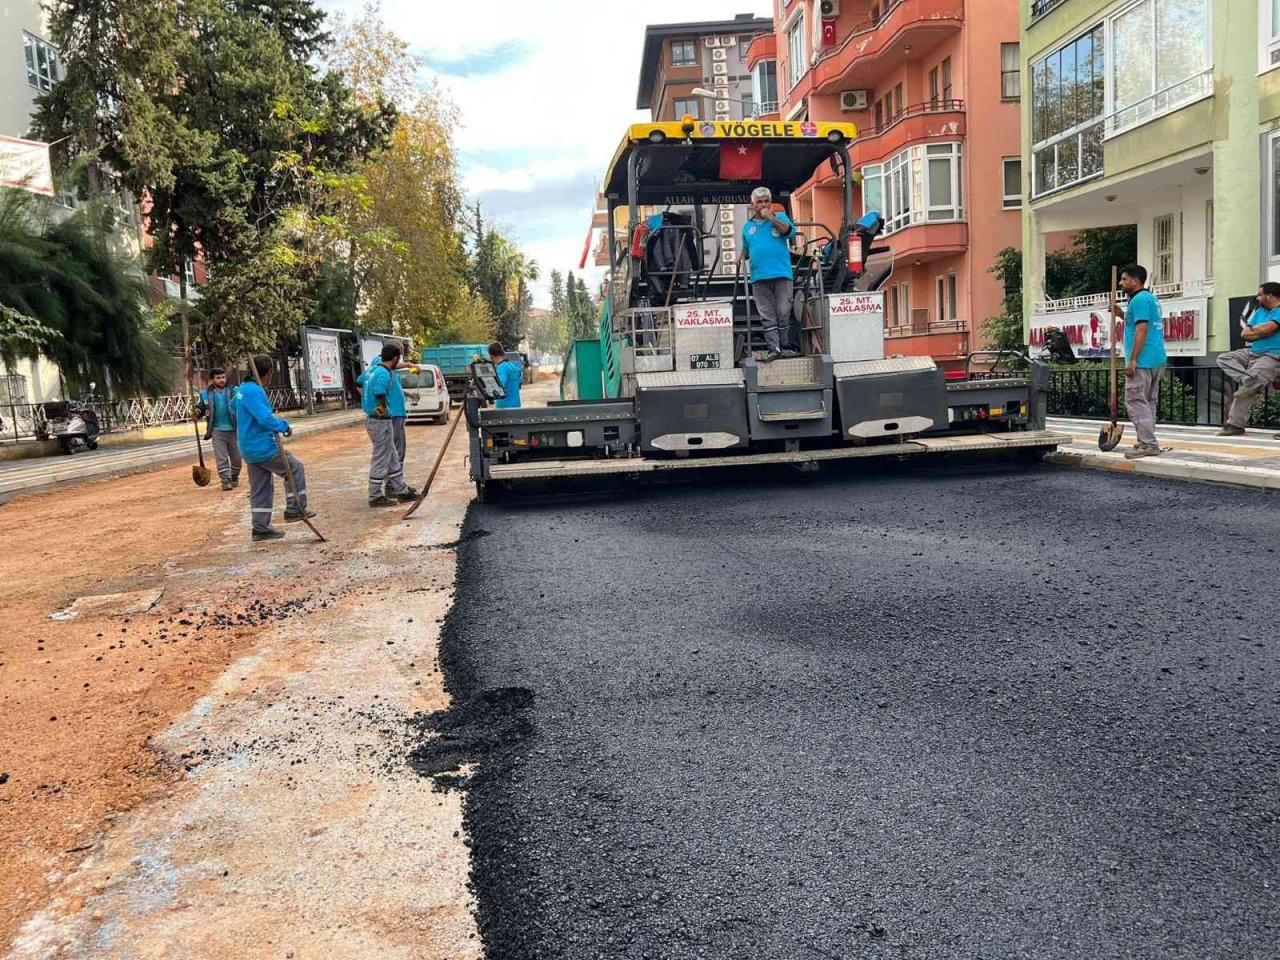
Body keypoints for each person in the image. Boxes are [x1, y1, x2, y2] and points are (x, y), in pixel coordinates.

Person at [233, 356, 315, 542]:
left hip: (248, 447)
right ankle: (295, 509)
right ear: (268, 373)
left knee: (261, 488)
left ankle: (260, 528)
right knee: (294, 468)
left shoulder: (242, 389)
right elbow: (265, 418)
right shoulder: (254, 391)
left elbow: (233, 408)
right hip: (262, 447)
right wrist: (284, 426)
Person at [1110, 265, 1167, 459]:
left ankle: (1149, 444)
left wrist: (1132, 359)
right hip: (1156, 357)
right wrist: (1120, 314)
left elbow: (1141, 330)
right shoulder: (1150, 298)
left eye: (1124, 279)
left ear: (1136, 281)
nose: (1120, 283)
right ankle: (1146, 440)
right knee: (1148, 402)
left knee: (1135, 401)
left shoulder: (1139, 300)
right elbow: (1139, 323)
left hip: (1143, 359)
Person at [741, 186, 798, 362]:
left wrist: (771, 217)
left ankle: (785, 346)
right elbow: (746, 248)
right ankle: (773, 348)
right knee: (767, 314)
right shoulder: (748, 227)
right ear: (753, 205)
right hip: (759, 277)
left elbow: (789, 232)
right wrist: (740, 258)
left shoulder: (780, 218)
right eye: (759, 202)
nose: (763, 205)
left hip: (781, 273)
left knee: (783, 310)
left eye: (766, 201)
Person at [1216, 283, 1280, 437]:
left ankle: (1235, 425)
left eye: (1260, 294)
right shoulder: (1259, 311)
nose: (1258, 298)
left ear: (1270, 296)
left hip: (1272, 356)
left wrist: (1259, 330)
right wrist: (1265, 331)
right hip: (1252, 352)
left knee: (1250, 386)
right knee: (1225, 358)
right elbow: (1245, 333)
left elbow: (1265, 329)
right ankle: (1248, 380)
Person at [363, 343, 418, 507]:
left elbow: (360, 382)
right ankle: (374, 495)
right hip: (380, 421)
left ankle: (400, 490)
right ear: (395, 358)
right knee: (381, 457)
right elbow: (380, 391)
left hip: (377, 419)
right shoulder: (383, 372)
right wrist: (383, 407)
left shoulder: (372, 371)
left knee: (393, 455)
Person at [196, 367, 241, 490]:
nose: (221, 380)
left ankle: (234, 476)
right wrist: (196, 412)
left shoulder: (235, 391)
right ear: (212, 380)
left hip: (234, 429)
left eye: (223, 377)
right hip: (216, 430)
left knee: (237, 458)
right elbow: (201, 408)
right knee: (221, 457)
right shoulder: (205, 394)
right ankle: (225, 480)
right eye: (218, 378)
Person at [490, 342, 523, 409]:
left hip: (504, 408)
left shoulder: (501, 368)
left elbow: (500, 385)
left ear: (491, 356)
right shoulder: (512, 366)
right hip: (516, 406)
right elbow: (519, 381)